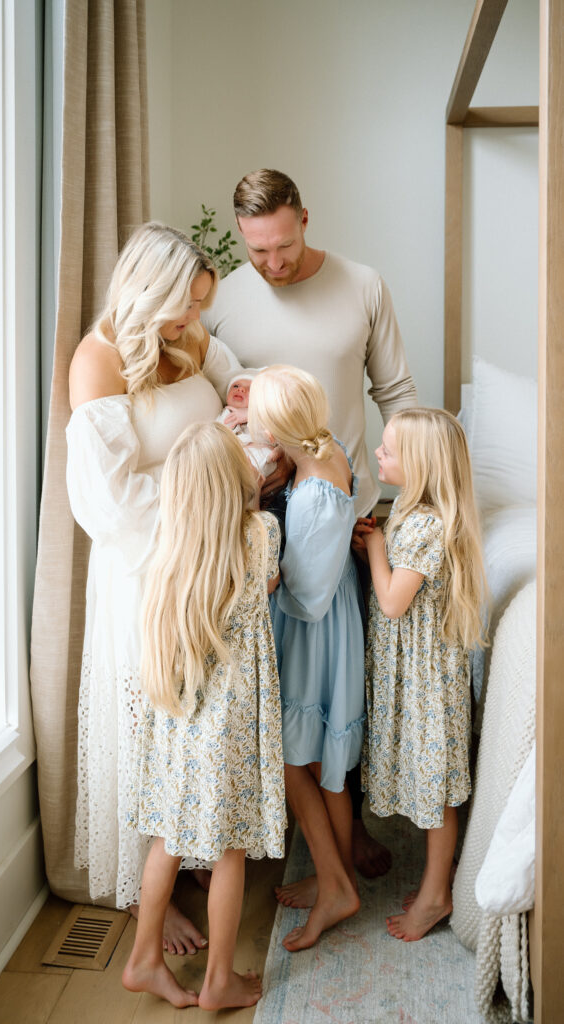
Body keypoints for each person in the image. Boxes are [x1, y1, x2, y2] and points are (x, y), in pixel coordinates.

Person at [202, 167, 418, 880]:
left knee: (338, 687)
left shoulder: (362, 286)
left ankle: (345, 832)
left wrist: (418, 493)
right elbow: (212, 402)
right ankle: (263, 835)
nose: (272, 264)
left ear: (304, 218)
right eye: (257, 250)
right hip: (255, 527)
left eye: (283, 246)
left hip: (341, 517)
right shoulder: (225, 300)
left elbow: (397, 393)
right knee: (275, 694)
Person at [66, 222, 243, 955]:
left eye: (202, 307)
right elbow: (105, 503)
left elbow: (237, 391)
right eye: (185, 307)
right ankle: (147, 891)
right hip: (145, 568)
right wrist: (201, 492)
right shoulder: (99, 361)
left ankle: (192, 851)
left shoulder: (191, 340)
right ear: (149, 294)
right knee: (149, 722)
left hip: (210, 560)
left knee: (199, 717)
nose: (195, 322)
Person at [122, 421, 285, 1009]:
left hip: (176, 715)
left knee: (169, 835)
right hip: (229, 725)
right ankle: (218, 978)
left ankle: (143, 958)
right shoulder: (260, 533)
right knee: (229, 850)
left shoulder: (170, 542)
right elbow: (268, 585)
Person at [247, 365, 365, 952]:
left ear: (275, 427)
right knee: (323, 766)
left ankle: (335, 886)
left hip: (311, 629)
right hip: (325, 614)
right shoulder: (324, 447)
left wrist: (254, 579)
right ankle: (332, 873)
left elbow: (305, 593)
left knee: (296, 761)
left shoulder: (315, 495)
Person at [360, 408, 486, 941]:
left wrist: (372, 550)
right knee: (429, 783)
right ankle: (438, 879)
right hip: (415, 674)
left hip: (426, 682)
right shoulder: (415, 515)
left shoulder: (429, 526)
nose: (379, 455)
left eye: (388, 451)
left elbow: (392, 602)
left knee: (434, 790)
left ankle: (437, 894)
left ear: (421, 465)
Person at [216, 370, 277, 477]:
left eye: (251, 389)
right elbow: (217, 437)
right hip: (238, 456)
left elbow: (272, 435)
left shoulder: (264, 415)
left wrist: (251, 415)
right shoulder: (227, 413)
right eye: (235, 386)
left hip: (264, 455)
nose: (241, 389)